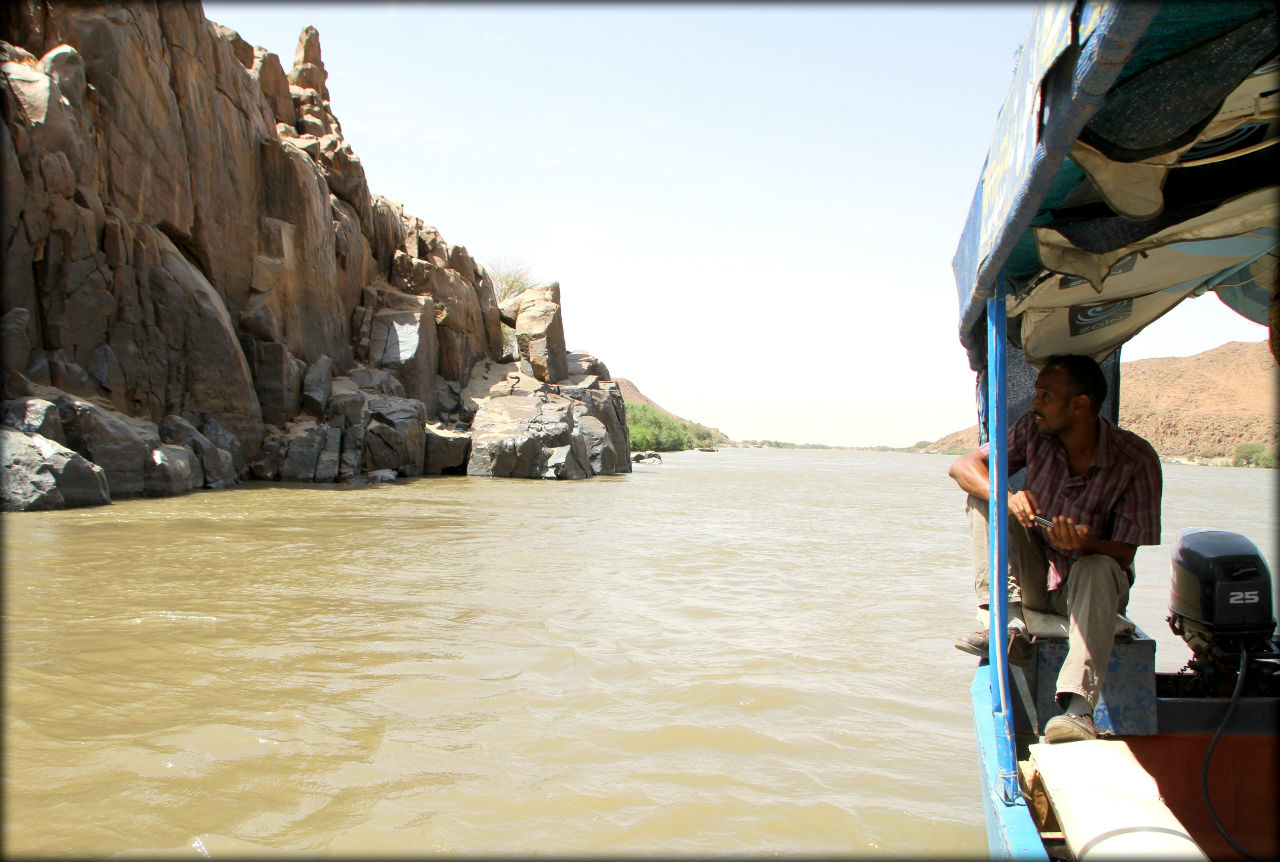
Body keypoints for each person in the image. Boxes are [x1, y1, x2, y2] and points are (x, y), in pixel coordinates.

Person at [948, 354, 1162, 743]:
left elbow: (1125, 554)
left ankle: (1078, 712)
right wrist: (1008, 497)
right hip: (1035, 578)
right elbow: (963, 466)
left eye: (1045, 396)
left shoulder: (1136, 458)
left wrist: (1085, 542)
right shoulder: (1033, 430)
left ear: (1079, 404)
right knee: (984, 497)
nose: (1034, 404)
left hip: (1088, 590)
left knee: (1097, 565)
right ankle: (1010, 627)